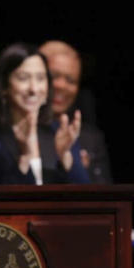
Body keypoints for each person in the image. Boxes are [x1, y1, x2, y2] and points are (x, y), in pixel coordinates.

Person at [0, 43, 90, 185]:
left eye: (40, 78)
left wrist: (65, 157)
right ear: (5, 86)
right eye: (23, 78)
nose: (34, 89)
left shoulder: (59, 134)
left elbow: (85, 198)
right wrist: (24, 157)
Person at [39, 40, 113, 184]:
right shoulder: (15, 132)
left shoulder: (90, 139)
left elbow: (106, 198)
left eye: (71, 80)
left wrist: (76, 167)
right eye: (54, 76)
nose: (61, 85)